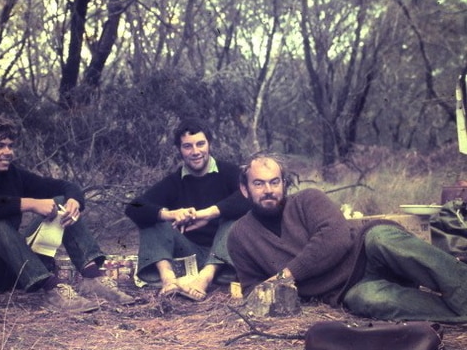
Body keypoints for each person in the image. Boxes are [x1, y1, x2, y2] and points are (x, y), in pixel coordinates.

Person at [228, 152, 467, 323]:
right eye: (258, 183)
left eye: (274, 182)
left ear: (284, 184)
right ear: (245, 189)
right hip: (346, 289)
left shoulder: (308, 199)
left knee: (383, 239)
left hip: (364, 249)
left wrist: (286, 275)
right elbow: (252, 290)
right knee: (369, 301)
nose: (268, 190)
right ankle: (460, 312)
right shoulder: (239, 235)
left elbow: (336, 238)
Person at [0, 115, 135, 313]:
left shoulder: (11, 175)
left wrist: (74, 200)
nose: (8, 152)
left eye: (10, 146)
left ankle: (92, 277)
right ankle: (52, 290)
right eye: (0, 146)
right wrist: (31, 203)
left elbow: (63, 186)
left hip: (13, 269)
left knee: (60, 201)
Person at [125, 119, 250, 301]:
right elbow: (133, 207)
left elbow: (249, 197)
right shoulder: (174, 182)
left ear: (209, 144)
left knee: (234, 220)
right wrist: (169, 214)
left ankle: (204, 280)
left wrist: (209, 213)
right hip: (191, 255)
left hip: (227, 257)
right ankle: (169, 281)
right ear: (179, 149)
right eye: (187, 146)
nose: (196, 152)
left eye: (200, 144)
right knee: (152, 219)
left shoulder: (230, 172)